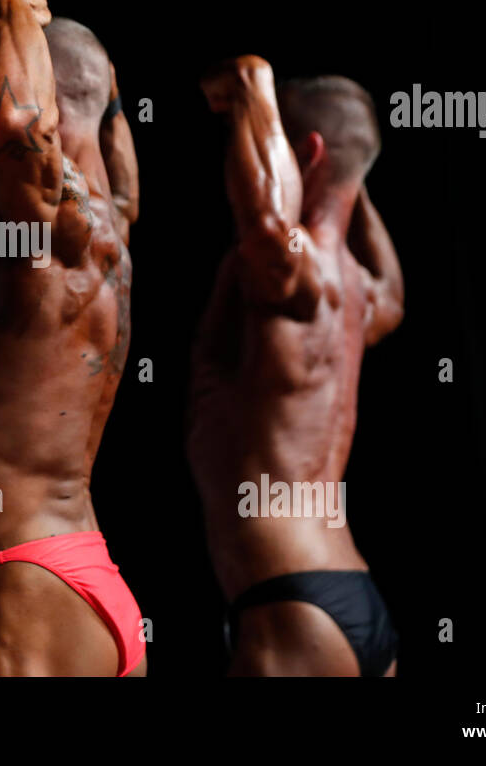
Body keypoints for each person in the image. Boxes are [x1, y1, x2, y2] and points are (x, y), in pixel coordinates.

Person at [0, 0, 145, 676]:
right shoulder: (115, 225)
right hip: (94, 580)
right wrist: (102, 93)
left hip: (29, 587)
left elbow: (20, 127)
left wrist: (7, 3)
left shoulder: (48, 230)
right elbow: (107, 159)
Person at [187, 55, 404, 676]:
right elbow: (397, 291)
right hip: (355, 592)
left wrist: (254, 85)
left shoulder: (294, 273)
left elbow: (264, 220)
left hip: (290, 602)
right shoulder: (366, 297)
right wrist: (351, 176)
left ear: (305, 153)